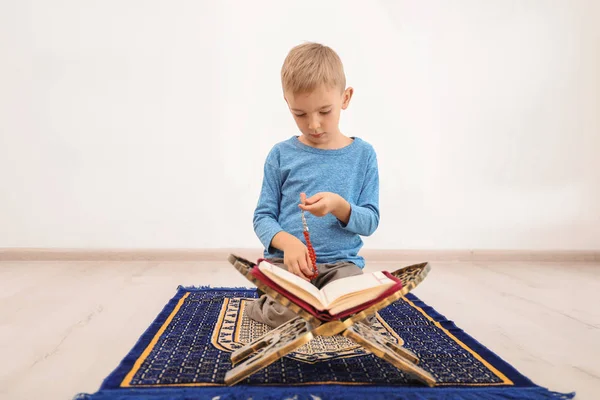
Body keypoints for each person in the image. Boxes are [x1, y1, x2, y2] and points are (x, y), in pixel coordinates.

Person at [245, 42, 380, 328]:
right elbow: (263, 218)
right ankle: (265, 305)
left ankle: (322, 306)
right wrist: (289, 244)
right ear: (287, 103)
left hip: (342, 267)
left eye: (324, 111)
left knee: (359, 311)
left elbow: (370, 222)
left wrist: (341, 207)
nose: (314, 125)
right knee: (286, 313)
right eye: (301, 114)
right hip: (287, 265)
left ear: (345, 98)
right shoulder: (281, 155)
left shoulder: (363, 155)